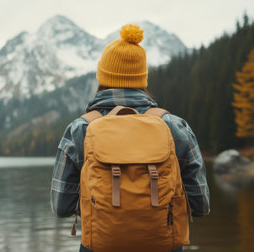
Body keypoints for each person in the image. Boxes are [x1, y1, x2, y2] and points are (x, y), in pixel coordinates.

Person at [50, 24, 210, 252]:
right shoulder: (175, 127)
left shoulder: (80, 129)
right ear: (142, 80)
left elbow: (61, 207)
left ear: (102, 78)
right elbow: (200, 205)